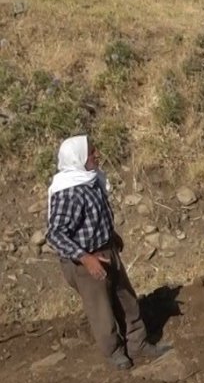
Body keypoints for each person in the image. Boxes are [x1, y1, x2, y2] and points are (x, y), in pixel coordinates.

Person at [46, 135, 171, 370]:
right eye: (92, 152)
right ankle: (114, 353)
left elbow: (94, 218)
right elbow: (55, 234)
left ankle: (138, 344)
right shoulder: (67, 192)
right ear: (79, 159)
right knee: (101, 310)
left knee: (127, 300)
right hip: (85, 261)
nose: (97, 154)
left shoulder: (91, 180)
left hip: (106, 250)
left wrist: (111, 237)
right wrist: (85, 258)